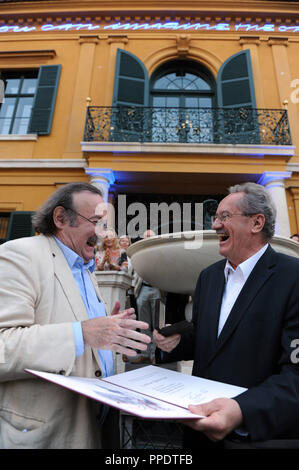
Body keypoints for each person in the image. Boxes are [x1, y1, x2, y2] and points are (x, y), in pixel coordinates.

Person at [0, 182, 151, 449]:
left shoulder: (87, 271)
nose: (104, 234)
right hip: (47, 434)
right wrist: (83, 332)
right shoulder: (19, 255)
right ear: (60, 218)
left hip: (98, 427)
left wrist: (112, 337)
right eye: (95, 221)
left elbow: (87, 343)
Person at [154, 182, 299, 449]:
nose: (215, 225)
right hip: (199, 435)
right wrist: (174, 344)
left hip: (255, 438)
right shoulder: (208, 277)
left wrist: (241, 410)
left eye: (224, 217)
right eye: (215, 217)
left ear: (256, 223)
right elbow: (210, 339)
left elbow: (295, 374)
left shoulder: (293, 277)